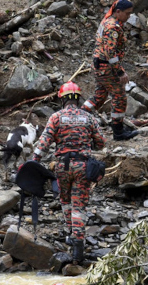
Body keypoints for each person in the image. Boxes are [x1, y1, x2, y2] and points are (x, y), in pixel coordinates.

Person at [32, 82, 105, 264]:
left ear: (62, 98)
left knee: (65, 200)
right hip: (83, 166)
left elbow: (44, 143)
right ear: (78, 98)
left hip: (63, 167)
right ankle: (78, 243)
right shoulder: (88, 118)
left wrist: (33, 162)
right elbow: (101, 142)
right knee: (79, 205)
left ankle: (71, 234)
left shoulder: (56, 117)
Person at [82, 0, 139, 141]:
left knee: (99, 96)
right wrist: (119, 71)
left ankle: (76, 119)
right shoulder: (112, 27)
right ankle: (118, 133)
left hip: (99, 65)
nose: (128, 17)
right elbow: (110, 52)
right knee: (119, 97)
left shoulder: (107, 21)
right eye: (127, 13)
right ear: (118, 12)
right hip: (106, 67)